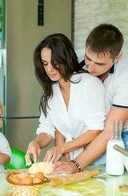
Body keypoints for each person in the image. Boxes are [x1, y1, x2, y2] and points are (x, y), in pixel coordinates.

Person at [52, 23, 128, 174]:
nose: (91, 68)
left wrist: (75, 164)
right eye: (89, 58)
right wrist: (63, 151)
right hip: (102, 129)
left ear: (117, 57)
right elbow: (62, 105)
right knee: (91, 174)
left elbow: (109, 131)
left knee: (120, 182)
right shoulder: (76, 58)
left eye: (100, 63)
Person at [25, 33, 106, 171]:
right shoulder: (49, 92)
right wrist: (36, 143)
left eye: (55, 62)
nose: (49, 69)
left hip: (96, 158)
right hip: (70, 160)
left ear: (66, 58)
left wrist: (61, 148)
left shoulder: (89, 84)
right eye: (45, 63)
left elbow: (96, 130)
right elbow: (47, 129)